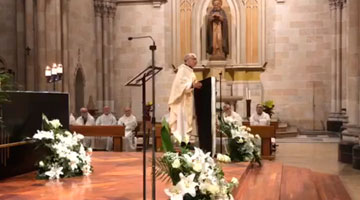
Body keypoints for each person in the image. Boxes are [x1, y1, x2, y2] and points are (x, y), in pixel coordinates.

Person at [168, 53, 202, 144]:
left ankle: (186, 141)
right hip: (182, 102)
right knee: (182, 121)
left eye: (196, 59)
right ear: (187, 60)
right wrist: (192, 85)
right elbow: (179, 85)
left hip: (188, 100)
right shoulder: (183, 69)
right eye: (193, 59)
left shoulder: (190, 71)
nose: (196, 61)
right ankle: (182, 142)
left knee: (187, 121)